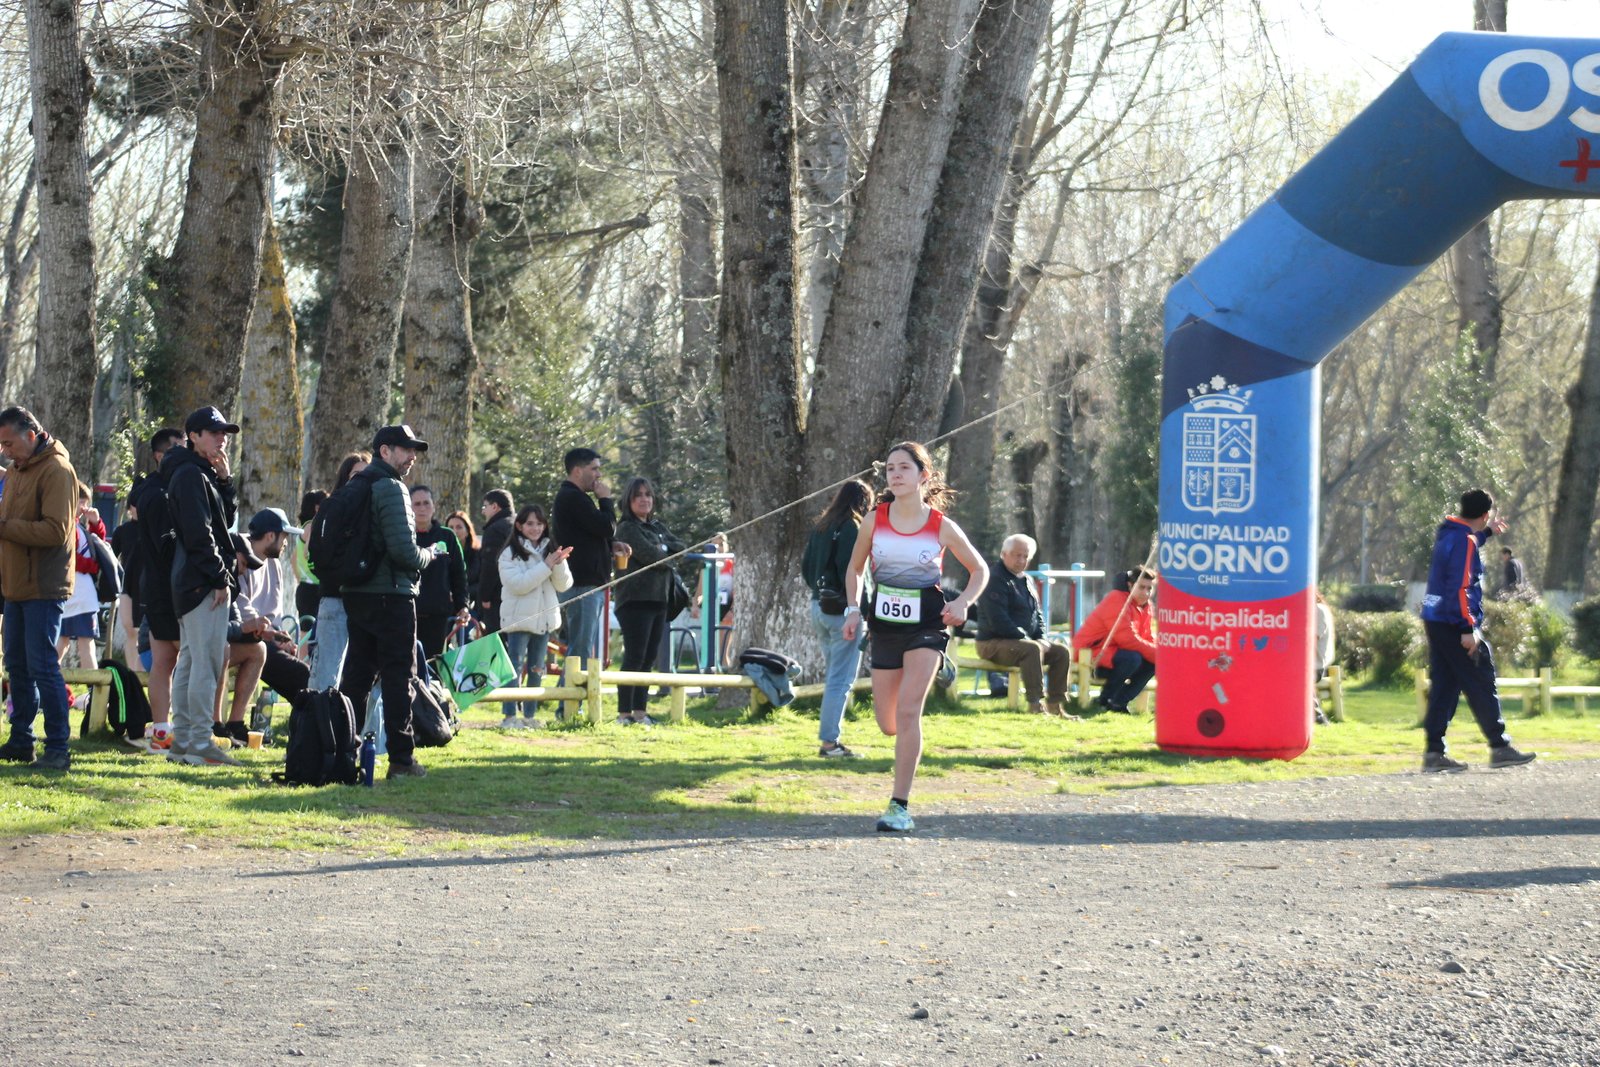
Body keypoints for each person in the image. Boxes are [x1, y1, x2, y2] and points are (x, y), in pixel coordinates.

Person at [841, 442, 988, 833]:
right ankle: (938, 668)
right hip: (886, 626)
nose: (895, 475)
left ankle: (899, 805)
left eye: (904, 468)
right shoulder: (876, 519)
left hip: (928, 623)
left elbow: (980, 570)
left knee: (909, 712)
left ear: (924, 475)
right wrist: (853, 609)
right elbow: (855, 570)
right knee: (888, 723)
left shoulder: (941, 525)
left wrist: (963, 604)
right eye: (890, 469)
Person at [338, 425, 443, 780]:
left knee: (357, 676)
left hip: (356, 592)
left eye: (414, 449)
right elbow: (403, 551)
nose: (412, 456)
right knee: (401, 676)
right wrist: (429, 555)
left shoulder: (356, 485)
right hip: (392, 595)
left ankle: (340, 750)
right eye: (405, 449)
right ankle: (401, 759)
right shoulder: (391, 488)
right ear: (385, 451)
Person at [1419, 488, 1537, 772]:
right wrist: (1467, 627)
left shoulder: (1449, 533)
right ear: (1485, 515)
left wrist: (1487, 533)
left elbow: (1466, 542)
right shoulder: (1466, 541)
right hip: (1454, 621)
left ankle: (1434, 753)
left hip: (1435, 617)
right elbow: (1461, 587)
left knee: (1445, 685)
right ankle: (1500, 746)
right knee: (1481, 678)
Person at [0, 407, 79, 770]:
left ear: (31, 435)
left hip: (44, 587)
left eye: (8, 443)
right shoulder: (19, 471)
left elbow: (55, 531)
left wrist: (3, 526)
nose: (5, 451)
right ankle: (22, 740)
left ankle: (58, 748)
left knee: (44, 666)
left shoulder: (58, 471)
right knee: (17, 665)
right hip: (16, 585)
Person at [164, 406, 244, 767]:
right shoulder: (190, 475)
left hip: (191, 579)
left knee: (192, 660)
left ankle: (183, 741)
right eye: (213, 432)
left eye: (224, 432)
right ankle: (197, 740)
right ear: (193, 436)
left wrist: (225, 482)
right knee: (205, 663)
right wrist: (219, 578)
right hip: (201, 581)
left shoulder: (199, 473)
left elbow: (223, 523)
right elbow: (202, 535)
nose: (221, 438)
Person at [801, 478, 874, 758]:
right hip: (844, 613)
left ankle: (830, 738)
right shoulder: (851, 528)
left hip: (818, 607)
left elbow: (807, 568)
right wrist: (860, 610)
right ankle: (829, 742)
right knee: (840, 681)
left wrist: (821, 591)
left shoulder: (821, 526)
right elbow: (854, 572)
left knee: (834, 676)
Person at [611, 477, 686, 726]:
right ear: (628, 501)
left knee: (648, 659)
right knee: (634, 656)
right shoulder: (627, 529)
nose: (644, 499)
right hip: (634, 601)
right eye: (638, 496)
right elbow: (653, 556)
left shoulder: (657, 527)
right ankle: (624, 713)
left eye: (648, 495)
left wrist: (664, 547)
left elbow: (681, 547)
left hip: (658, 600)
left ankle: (640, 712)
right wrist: (665, 550)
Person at [974, 533, 1075, 717]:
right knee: (1031, 649)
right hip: (992, 642)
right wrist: (1029, 640)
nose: (1021, 560)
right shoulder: (994, 579)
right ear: (1004, 554)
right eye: (1016, 554)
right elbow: (998, 620)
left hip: (1022, 642)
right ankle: (1035, 705)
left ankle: (1056, 706)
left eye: (1025, 556)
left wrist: (1042, 638)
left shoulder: (1026, 580)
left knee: (1061, 651)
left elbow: (1038, 615)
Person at [129, 426, 184, 748]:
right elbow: (169, 543)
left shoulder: (152, 490)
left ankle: (162, 729)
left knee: (165, 660)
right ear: (160, 456)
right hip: (168, 587)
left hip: (157, 586)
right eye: (176, 449)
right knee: (178, 658)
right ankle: (172, 729)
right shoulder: (160, 492)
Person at [497, 504, 573, 728]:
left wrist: (557, 564)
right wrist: (546, 566)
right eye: (530, 523)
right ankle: (509, 716)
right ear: (519, 526)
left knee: (538, 668)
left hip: (544, 620)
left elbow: (564, 585)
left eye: (539, 523)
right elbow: (519, 585)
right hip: (518, 620)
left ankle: (530, 716)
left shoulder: (551, 549)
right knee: (514, 667)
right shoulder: (509, 553)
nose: (535, 528)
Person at [552, 448, 625, 667]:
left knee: (580, 646)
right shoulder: (573, 497)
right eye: (594, 469)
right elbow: (606, 526)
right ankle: (569, 701)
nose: (599, 475)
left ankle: (567, 698)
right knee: (581, 648)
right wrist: (606, 500)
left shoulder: (576, 498)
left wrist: (611, 545)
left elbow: (589, 533)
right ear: (577, 470)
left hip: (585, 582)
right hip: (583, 584)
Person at [309, 451, 369, 690]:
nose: (363, 481)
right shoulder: (332, 509)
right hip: (335, 599)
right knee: (326, 675)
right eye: (356, 475)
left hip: (366, 602)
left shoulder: (377, 511)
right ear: (345, 478)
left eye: (367, 475)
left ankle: (361, 727)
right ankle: (320, 724)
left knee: (364, 675)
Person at [1073, 567, 1159, 713]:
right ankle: (1105, 700)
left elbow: (1147, 637)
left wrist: (1160, 655)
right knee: (1134, 658)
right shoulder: (1116, 599)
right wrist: (1161, 656)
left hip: (1114, 655)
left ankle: (1118, 702)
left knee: (1150, 662)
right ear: (1130, 585)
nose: (1146, 593)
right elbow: (1127, 639)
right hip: (1090, 655)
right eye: (1141, 587)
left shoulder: (1147, 606)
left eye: (1149, 588)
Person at [411, 485, 470, 660]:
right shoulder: (402, 536)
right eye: (417, 504)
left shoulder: (447, 537)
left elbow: (459, 575)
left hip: (437, 614)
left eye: (426, 503)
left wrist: (462, 605)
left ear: (434, 506)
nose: (422, 508)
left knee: (433, 666)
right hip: (405, 612)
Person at [58, 483, 105, 670]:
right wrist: (93, 566)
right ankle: (51, 689)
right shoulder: (67, 524)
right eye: (80, 503)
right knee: (69, 644)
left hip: (80, 595)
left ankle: (92, 694)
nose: (84, 508)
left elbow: (96, 546)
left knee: (76, 644)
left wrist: (95, 523)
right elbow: (71, 557)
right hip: (75, 593)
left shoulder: (78, 525)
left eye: (86, 503)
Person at [475, 489, 515, 633]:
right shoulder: (520, 525)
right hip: (521, 592)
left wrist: (485, 596)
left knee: (497, 642)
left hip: (498, 596)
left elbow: (491, 566)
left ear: (495, 506)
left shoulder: (495, 530)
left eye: (485, 506)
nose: (483, 512)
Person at [291, 490, 327, 629]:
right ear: (317, 507)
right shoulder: (313, 526)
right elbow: (308, 551)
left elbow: (293, 559)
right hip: (313, 588)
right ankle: (304, 652)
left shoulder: (304, 528)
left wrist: (301, 579)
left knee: (306, 631)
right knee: (309, 634)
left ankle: (304, 652)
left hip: (305, 588)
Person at [446, 510, 481, 641]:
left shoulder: (478, 554)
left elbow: (480, 583)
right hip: (445, 606)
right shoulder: (441, 553)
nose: (454, 531)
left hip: (471, 606)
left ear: (467, 530)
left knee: (467, 638)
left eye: (459, 527)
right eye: (451, 527)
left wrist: (459, 596)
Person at [1313, 590, 1335, 725]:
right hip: (1312, 665)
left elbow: (1311, 639)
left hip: (1315, 666)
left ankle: (1319, 717)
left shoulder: (1318, 610)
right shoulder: (1319, 609)